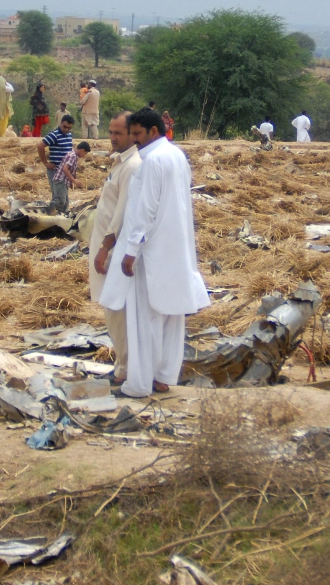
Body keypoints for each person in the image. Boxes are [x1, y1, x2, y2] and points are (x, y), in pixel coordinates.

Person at [99, 107, 210, 398]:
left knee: (143, 320)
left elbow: (144, 210)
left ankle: (138, 384)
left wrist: (131, 250)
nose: (134, 140)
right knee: (170, 316)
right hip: (175, 248)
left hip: (150, 252)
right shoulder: (177, 156)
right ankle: (163, 376)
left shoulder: (152, 162)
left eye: (137, 134)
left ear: (153, 131)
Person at [88, 111, 142, 384]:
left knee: (116, 309)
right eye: (110, 132)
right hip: (104, 245)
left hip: (113, 249)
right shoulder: (119, 163)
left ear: (133, 134)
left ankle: (126, 368)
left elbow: (120, 215)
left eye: (118, 133)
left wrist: (105, 248)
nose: (112, 138)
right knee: (111, 309)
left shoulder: (132, 166)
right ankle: (123, 364)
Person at [36, 114, 75, 213]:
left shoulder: (69, 135)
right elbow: (40, 146)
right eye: (64, 126)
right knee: (59, 199)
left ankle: (62, 218)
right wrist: (45, 163)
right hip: (55, 170)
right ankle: (50, 215)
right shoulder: (54, 134)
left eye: (69, 128)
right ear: (61, 123)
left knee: (65, 200)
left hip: (64, 171)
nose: (66, 129)